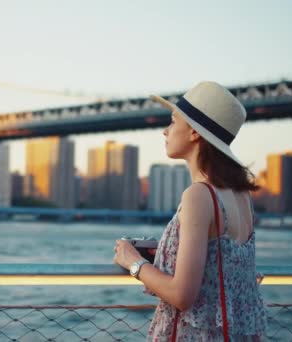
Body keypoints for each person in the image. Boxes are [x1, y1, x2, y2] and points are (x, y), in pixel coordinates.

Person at [113, 81, 267, 341]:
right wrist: (165, 253)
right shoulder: (241, 196)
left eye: (173, 121)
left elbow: (182, 295)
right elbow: (217, 265)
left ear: (194, 132)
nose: (165, 131)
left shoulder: (198, 195)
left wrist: (133, 262)